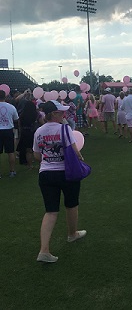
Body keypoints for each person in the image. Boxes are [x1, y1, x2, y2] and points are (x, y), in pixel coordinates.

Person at [33, 100, 87, 263]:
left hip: (46, 174)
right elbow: (75, 151)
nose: (64, 114)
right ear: (54, 114)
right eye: (61, 112)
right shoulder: (65, 129)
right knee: (71, 204)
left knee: (50, 211)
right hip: (66, 173)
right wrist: (80, 158)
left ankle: (44, 250)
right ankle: (72, 234)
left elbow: (36, 155)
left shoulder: (39, 131)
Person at [0, 90, 19, 177]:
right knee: (11, 152)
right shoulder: (11, 107)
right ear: (5, 96)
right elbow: (16, 118)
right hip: (8, 130)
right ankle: (12, 171)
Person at [18, 94, 40, 169]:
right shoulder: (36, 114)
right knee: (34, 149)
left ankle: (29, 164)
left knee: (27, 149)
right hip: (33, 132)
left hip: (25, 132)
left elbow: (19, 124)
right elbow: (41, 122)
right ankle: (36, 163)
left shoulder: (22, 115)